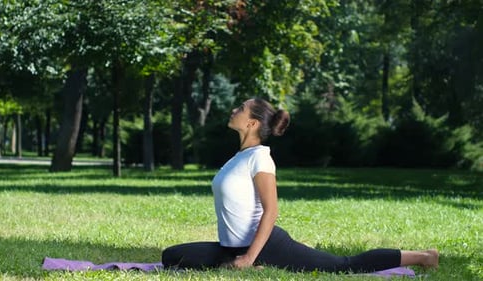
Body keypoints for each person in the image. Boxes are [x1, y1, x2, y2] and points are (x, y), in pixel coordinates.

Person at [161, 98, 439, 273]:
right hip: (231, 246)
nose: (234, 109)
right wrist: (241, 255)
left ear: (252, 122)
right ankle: (255, 260)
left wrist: (249, 258)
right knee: (171, 256)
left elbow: (271, 211)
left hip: (266, 244)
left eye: (241, 108)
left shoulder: (260, 158)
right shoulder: (239, 157)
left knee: (344, 266)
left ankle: (424, 257)